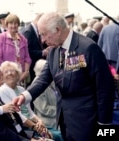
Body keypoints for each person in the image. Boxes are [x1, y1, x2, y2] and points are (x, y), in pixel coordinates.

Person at [13, 12, 115, 141]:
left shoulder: (88, 48)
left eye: (44, 34)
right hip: (65, 122)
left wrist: (104, 126)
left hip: (87, 123)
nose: (43, 40)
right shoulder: (53, 51)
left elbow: (104, 88)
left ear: (57, 30)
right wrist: (24, 96)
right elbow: (43, 78)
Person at [0, 61, 53, 139]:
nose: (10, 73)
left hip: (32, 124)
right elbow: (17, 115)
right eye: (6, 72)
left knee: (54, 135)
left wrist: (39, 121)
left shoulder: (21, 89)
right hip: (21, 128)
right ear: (2, 76)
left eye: (12, 71)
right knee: (54, 136)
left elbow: (29, 111)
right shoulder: (2, 90)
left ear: (17, 73)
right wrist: (35, 127)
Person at [0, 13, 31, 87]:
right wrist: (9, 74)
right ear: (7, 25)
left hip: (21, 77)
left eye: (15, 23)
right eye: (11, 23)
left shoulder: (23, 39)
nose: (13, 26)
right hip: (7, 76)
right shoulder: (1, 37)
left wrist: (26, 72)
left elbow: (27, 58)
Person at [32, 59, 63, 141]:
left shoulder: (52, 80)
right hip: (47, 122)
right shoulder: (36, 85)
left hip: (57, 119)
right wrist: (60, 110)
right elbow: (44, 109)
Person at [21, 13, 50, 86]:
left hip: (37, 66)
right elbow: (26, 52)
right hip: (32, 68)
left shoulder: (35, 30)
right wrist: (42, 53)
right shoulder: (28, 31)